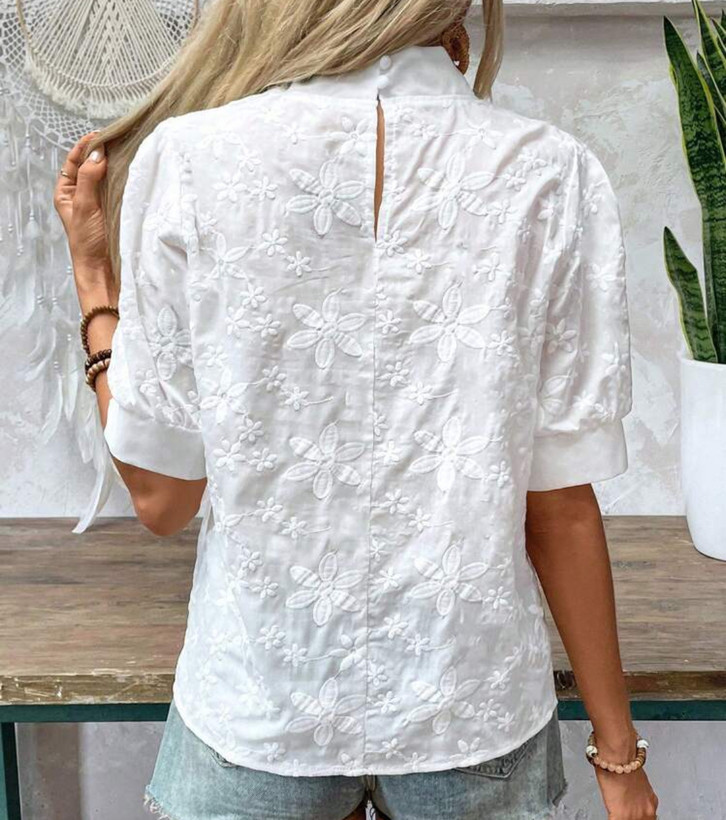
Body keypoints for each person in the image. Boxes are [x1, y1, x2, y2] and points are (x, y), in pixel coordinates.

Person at [53, 0, 660, 818]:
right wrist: (619, 759)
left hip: (259, 709)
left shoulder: (190, 160)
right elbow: (559, 511)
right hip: (469, 707)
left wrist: (94, 282)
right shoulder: (550, 173)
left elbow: (162, 501)